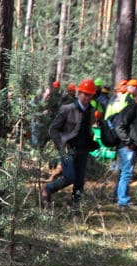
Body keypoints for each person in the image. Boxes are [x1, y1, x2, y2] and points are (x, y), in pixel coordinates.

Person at [43, 78, 98, 206]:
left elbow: (88, 131)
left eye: (90, 95)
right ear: (79, 93)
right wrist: (61, 145)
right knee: (70, 177)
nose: (87, 97)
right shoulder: (67, 109)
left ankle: (76, 208)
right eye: (85, 94)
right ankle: (48, 189)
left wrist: (92, 144)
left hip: (83, 149)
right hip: (67, 149)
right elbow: (53, 129)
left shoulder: (91, 111)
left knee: (80, 180)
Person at [113, 83, 137, 207]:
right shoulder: (131, 109)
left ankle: (117, 197)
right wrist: (128, 142)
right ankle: (123, 201)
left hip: (132, 147)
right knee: (126, 174)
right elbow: (119, 126)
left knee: (123, 173)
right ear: (135, 97)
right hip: (127, 148)